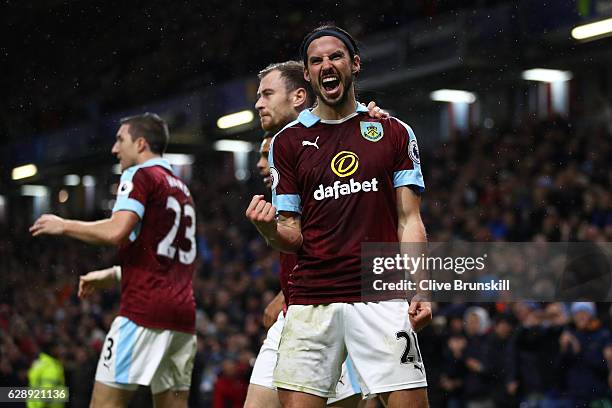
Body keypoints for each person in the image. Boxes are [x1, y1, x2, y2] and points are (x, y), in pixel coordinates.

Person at [246, 25, 431, 408]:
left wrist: (421, 287)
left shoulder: (393, 131)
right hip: (312, 302)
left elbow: (408, 220)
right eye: (316, 61)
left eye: (335, 57)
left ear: (355, 64)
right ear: (309, 74)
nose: (326, 65)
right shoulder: (287, 143)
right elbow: (292, 235)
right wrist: (268, 232)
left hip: (379, 295)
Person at [30, 113, 197, 408]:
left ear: (141, 143)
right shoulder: (181, 189)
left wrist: (64, 225)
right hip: (182, 316)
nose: (114, 149)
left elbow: (116, 230)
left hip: (143, 311)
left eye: (120, 140)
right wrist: (115, 273)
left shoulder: (141, 175)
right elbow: (168, 261)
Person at [246, 61, 385, 408]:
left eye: (266, 94)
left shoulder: (352, 136)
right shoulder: (288, 150)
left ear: (298, 96)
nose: (258, 104)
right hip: (300, 308)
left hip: (344, 305)